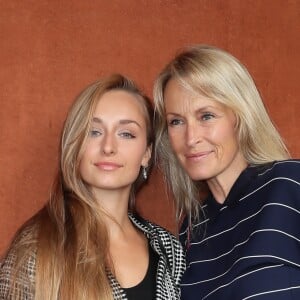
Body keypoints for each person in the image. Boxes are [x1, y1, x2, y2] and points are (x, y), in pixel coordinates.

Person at [0, 74, 186, 300]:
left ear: (146, 154)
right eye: (94, 132)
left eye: (126, 134)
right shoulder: (38, 247)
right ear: (75, 145)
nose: (108, 147)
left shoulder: (169, 249)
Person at [154, 44, 300, 299]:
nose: (191, 138)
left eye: (206, 116)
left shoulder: (289, 184)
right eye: (176, 121)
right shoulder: (191, 231)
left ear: (240, 117)